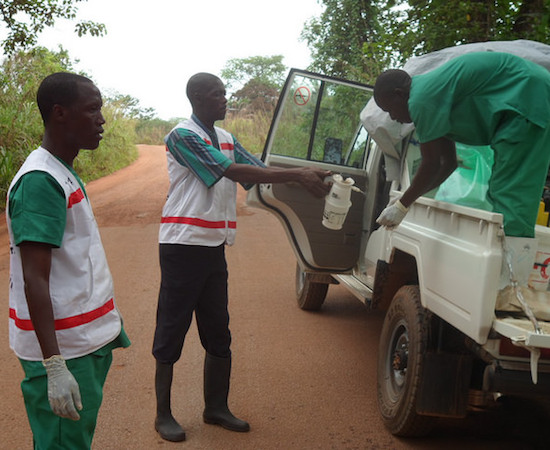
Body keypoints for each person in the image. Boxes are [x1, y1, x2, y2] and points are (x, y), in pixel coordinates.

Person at [152, 72, 331, 442]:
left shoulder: (227, 139)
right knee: (172, 328)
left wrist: (308, 178)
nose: (225, 99)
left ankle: (215, 408)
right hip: (182, 246)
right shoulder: (182, 135)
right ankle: (163, 414)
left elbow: (258, 172)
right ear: (198, 97)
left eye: (224, 93)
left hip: (213, 245)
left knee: (218, 329)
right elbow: (230, 172)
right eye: (218, 94)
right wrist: (298, 174)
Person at [6, 72, 130, 449]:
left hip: (84, 341)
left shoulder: (61, 170)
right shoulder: (40, 181)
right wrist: (54, 367)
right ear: (59, 113)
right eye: (92, 109)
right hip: (65, 349)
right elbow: (34, 278)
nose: (102, 119)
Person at [373, 51, 550, 238]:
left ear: (399, 94)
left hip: (527, 98)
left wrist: (402, 206)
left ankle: (513, 260)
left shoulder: (421, 99)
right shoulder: (432, 95)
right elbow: (448, 163)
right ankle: (510, 253)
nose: (393, 118)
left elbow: (430, 164)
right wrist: (409, 199)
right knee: (505, 192)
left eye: (390, 110)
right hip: (526, 95)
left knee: (509, 193)